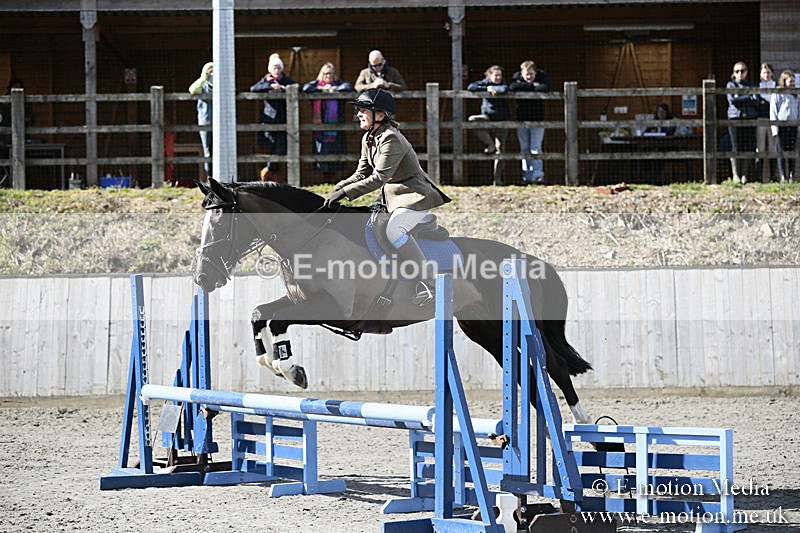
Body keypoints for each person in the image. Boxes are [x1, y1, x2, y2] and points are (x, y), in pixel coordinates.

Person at [323, 88, 451, 306]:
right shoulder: (369, 137)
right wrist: (338, 188)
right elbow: (361, 173)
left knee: (394, 230)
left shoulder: (391, 138)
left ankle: (428, 283)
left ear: (380, 115)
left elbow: (378, 178)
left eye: (364, 110)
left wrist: (346, 193)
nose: (359, 114)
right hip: (393, 198)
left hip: (415, 196)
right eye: (359, 110)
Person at [301, 63, 354, 181]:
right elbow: (305, 88)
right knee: (321, 155)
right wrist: (322, 89)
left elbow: (348, 87)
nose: (328, 76)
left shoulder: (339, 85)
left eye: (331, 73)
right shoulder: (316, 85)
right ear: (321, 75)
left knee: (336, 155)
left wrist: (334, 89)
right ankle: (325, 181)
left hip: (336, 129)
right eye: (326, 73)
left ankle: (335, 181)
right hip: (320, 129)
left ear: (334, 75)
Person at [250, 53, 298, 180]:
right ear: (270, 70)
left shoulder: (286, 80)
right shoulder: (266, 81)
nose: (276, 70)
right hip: (269, 120)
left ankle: (268, 171)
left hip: (283, 119)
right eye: (274, 68)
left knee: (281, 148)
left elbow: (298, 87)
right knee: (270, 148)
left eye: (278, 68)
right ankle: (270, 175)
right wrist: (269, 86)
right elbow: (254, 88)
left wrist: (282, 89)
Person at [467, 65, 510, 185]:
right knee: (472, 120)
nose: (498, 77)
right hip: (487, 116)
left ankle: (497, 179)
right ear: (489, 75)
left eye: (500, 75)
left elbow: (505, 88)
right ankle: (490, 144)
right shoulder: (485, 83)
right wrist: (488, 88)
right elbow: (471, 87)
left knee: (501, 150)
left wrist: (496, 89)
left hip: (502, 119)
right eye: (496, 75)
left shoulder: (503, 83)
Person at [510, 60, 550, 184]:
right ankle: (527, 176)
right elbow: (513, 87)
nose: (529, 77)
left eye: (531, 74)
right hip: (522, 119)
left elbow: (545, 88)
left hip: (537, 119)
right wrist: (533, 86)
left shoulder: (542, 77)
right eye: (526, 74)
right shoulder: (516, 78)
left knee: (535, 148)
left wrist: (527, 87)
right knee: (525, 148)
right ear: (522, 73)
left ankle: (537, 175)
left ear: (535, 72)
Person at [726, 61, 758, 183]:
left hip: (749, 118)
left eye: (742, 70)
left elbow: (756, 100)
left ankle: (744, 175)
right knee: (735, 146)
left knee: (748, 146)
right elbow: (733, 101)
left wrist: (740, 97)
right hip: (735, 118)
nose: (740, 73)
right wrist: (748, 97)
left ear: (746, 72)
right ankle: (735, 175)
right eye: (737, 71)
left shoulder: (752, 84)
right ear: (734, 73)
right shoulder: (730, 85)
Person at [770, 69, 798, 183]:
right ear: (784, 81)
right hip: (781, 125)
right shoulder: (777, 93)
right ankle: (783, 176)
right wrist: (774, 128)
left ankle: (792, 175)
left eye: (793, 81)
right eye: (790, 81)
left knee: (792, 151)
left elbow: (798, 109)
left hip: (793, 125)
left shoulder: (796, 94)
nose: (792, 84)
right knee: (780, 152)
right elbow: (773, 111)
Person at [188, 62, 213, 178]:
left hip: (220, 124)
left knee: (220, 150)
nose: (212, 73)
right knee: (207, 151)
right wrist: (204, 77)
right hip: (205, 122)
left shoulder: (220, 85)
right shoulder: (202, 86)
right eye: (210, 70)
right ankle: (210, 177)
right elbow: (192, 90)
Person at [756, 63, 777, 183]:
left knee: (773, 148)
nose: (766, 74)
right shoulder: (758, 87)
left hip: (773, 120)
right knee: (761, 148)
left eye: (768, 72)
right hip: (761, 119)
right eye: (764, 72)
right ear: (760, 74)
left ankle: (773, 177)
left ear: (772, 73)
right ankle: (759, 178)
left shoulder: (776, 86)